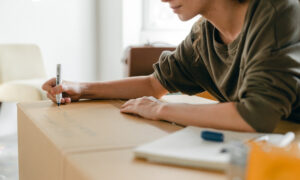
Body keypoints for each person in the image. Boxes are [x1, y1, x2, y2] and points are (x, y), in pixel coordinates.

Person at [42, 0, 300, 133]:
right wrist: (81, 88)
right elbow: (154, 84)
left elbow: (253, 116)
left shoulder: (278, 12)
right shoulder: (203, 34)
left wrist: (161, 110)